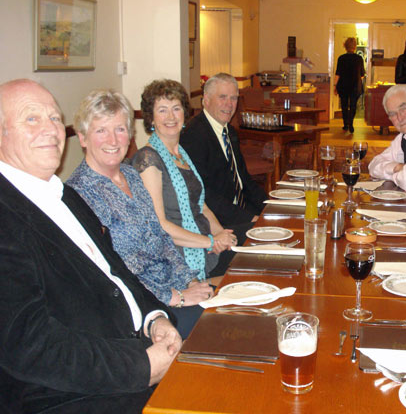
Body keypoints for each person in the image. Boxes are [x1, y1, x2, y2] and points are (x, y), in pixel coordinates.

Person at [0, 79, 181, 413]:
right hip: (68, 393)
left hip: (132, 351)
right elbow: (29, 346)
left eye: (55, 118)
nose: (51, 130)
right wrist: (140, 366)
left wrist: (157, 319)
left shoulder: (64, 196)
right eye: (31, 119)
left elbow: (118, 274)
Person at [67, 89, 214, 339]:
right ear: (83, 138)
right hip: (140, 309)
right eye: (101, 130)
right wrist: (175, 297)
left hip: (175, 288)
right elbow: (113, 273)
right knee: (219, 330)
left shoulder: (132, 176)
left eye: (120, 129)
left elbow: (163, 238)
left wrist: (189, 281)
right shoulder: (80, 194)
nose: (113, 140)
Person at [132, 79, 238, 281]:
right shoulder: (148, 159)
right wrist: (210, 241)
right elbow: (159, 226)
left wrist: (222, 234)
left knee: (256, 258)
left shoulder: (181, 154)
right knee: (247, 273)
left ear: (184, 113)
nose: (171, 117)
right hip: (179, 258)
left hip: (205, 244)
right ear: (151, 118)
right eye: (162, 110)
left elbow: (201, 206)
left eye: (176, 108)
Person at [180, 73, 267, 226]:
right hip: (217, 221)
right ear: (205, 100)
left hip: (240, 208)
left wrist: (269, 207)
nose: (229, 104)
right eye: (222, 97)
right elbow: (204, 195)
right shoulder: (194, 136)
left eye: (233, 98)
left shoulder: (229, 131)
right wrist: (248, 219)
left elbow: (244, 180)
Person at [334, 37, 365, 133]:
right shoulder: (359, 59)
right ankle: (351, 124)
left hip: (343, 85)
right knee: (353, 106)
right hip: (355, 85)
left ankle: (345, 124)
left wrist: (335, 86)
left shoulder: (341, 58)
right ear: (355, 47)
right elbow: (362, 75)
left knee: (344, 105)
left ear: (345, 46)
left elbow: (338, 74)